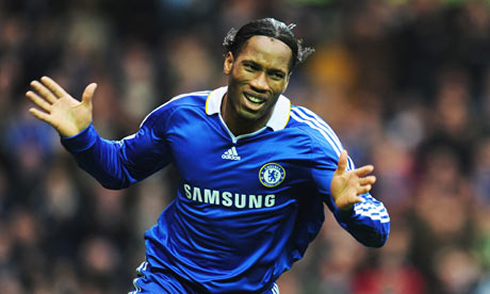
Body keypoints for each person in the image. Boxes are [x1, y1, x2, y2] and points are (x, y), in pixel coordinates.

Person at [26, 18, 390, 294]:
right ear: (229, 62)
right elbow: (119, 169)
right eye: (252, 67)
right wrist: (82, 138)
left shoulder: (309, 140)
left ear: (287, 81)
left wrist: (349, 211)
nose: (261, 83)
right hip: (169, 281)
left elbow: (378, 228)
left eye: (275, 75)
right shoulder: (182, 116)